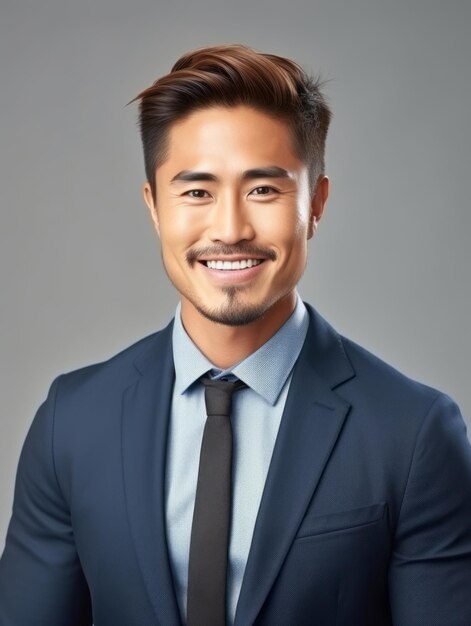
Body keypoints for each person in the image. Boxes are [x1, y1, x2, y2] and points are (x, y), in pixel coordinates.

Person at [0, 44, 470, 626]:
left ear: (316, 203)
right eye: (196, 191)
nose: (229, 228)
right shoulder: (71, 420)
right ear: (154, 207)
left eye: (264, 190)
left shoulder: (414, 432)